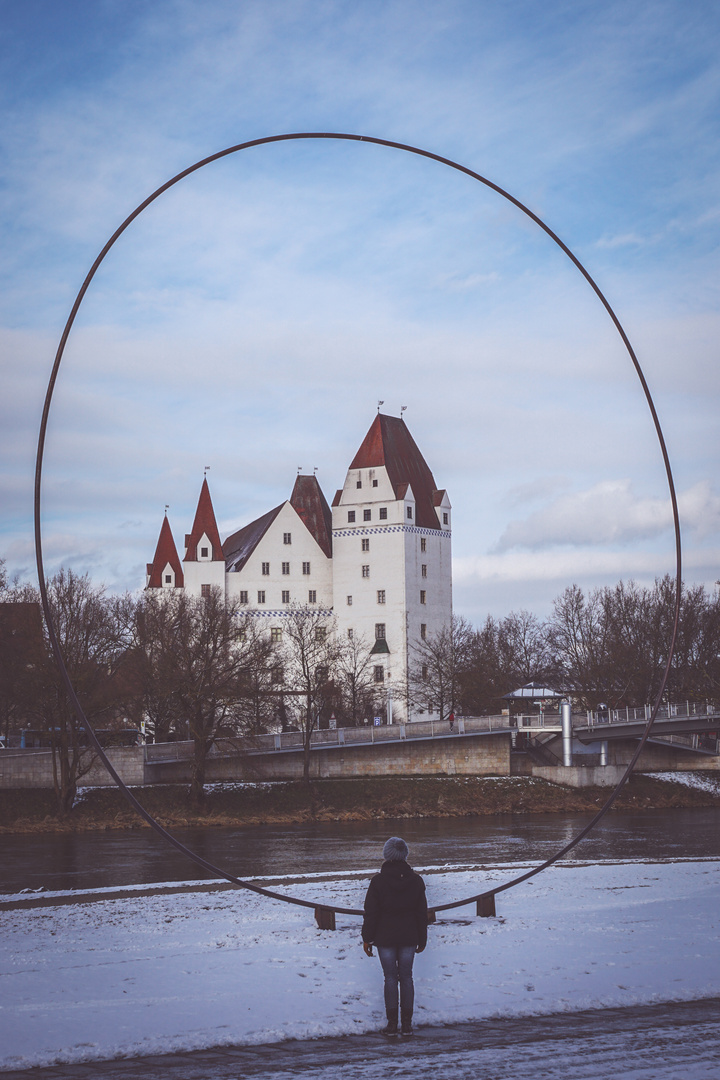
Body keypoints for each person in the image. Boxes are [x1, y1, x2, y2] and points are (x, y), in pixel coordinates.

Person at [362, 836, 428, 1037]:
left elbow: (371, 912)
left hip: (385, 936)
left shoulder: (378, 882)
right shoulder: (416, 881)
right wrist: (422, 938)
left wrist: (367, 938)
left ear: (386, 855)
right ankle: (407, 1024)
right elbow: (421, 913)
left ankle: (392, 1024)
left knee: (390, 978)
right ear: (405, 854)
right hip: (409, 935)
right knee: (407, 977)